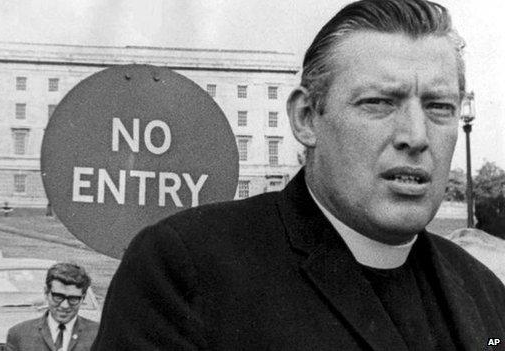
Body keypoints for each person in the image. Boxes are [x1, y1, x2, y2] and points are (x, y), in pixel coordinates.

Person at [91, 0, 505, 350]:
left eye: (439, 107)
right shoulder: (187, 269)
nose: (416, 137)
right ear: (306, 118)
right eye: (379, 102)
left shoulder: (485, 291)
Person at [5, 262, 99, 351]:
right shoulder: (19, 334)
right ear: (46, 293)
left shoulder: (98, 335)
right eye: (58, 297)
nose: (64, 306)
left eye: (73, 299)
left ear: (83, 298)